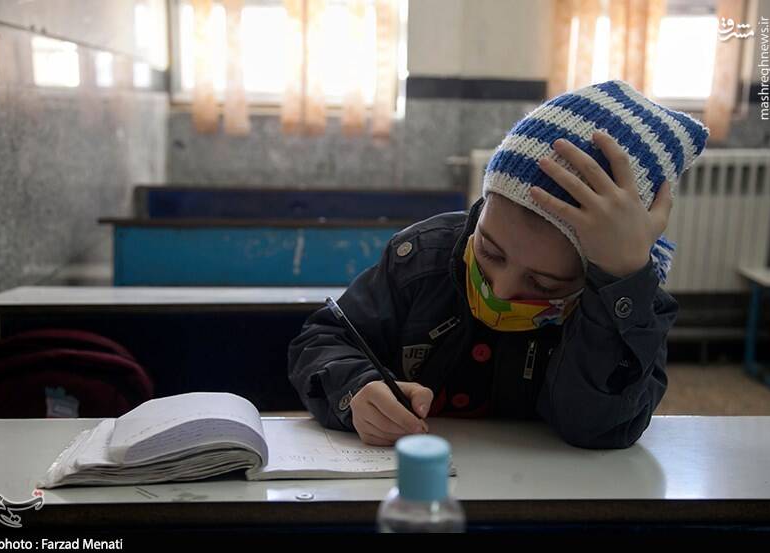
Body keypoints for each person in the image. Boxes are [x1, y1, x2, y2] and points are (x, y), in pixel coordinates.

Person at [287, 79, 709, 449]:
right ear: (485, 204)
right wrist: (356, 390)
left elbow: (595, 428)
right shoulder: (422, 258)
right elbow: (324, 339)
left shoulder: (635, 307)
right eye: (490, 251)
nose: (501, 291)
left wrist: (618, 285)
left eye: (544, 285)